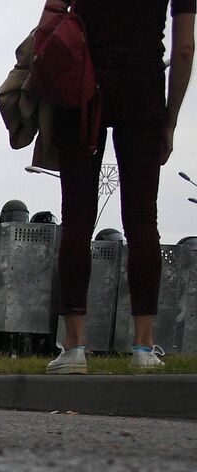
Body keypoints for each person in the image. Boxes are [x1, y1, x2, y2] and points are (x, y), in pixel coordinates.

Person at [50, 0, 195, 374]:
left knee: (78, 218)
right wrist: (171, 120)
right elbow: (184, 48)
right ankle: (143, 348)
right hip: (143, 91)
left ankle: (74, 348)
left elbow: (50, 21)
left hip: (83, 89)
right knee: (143, 220)